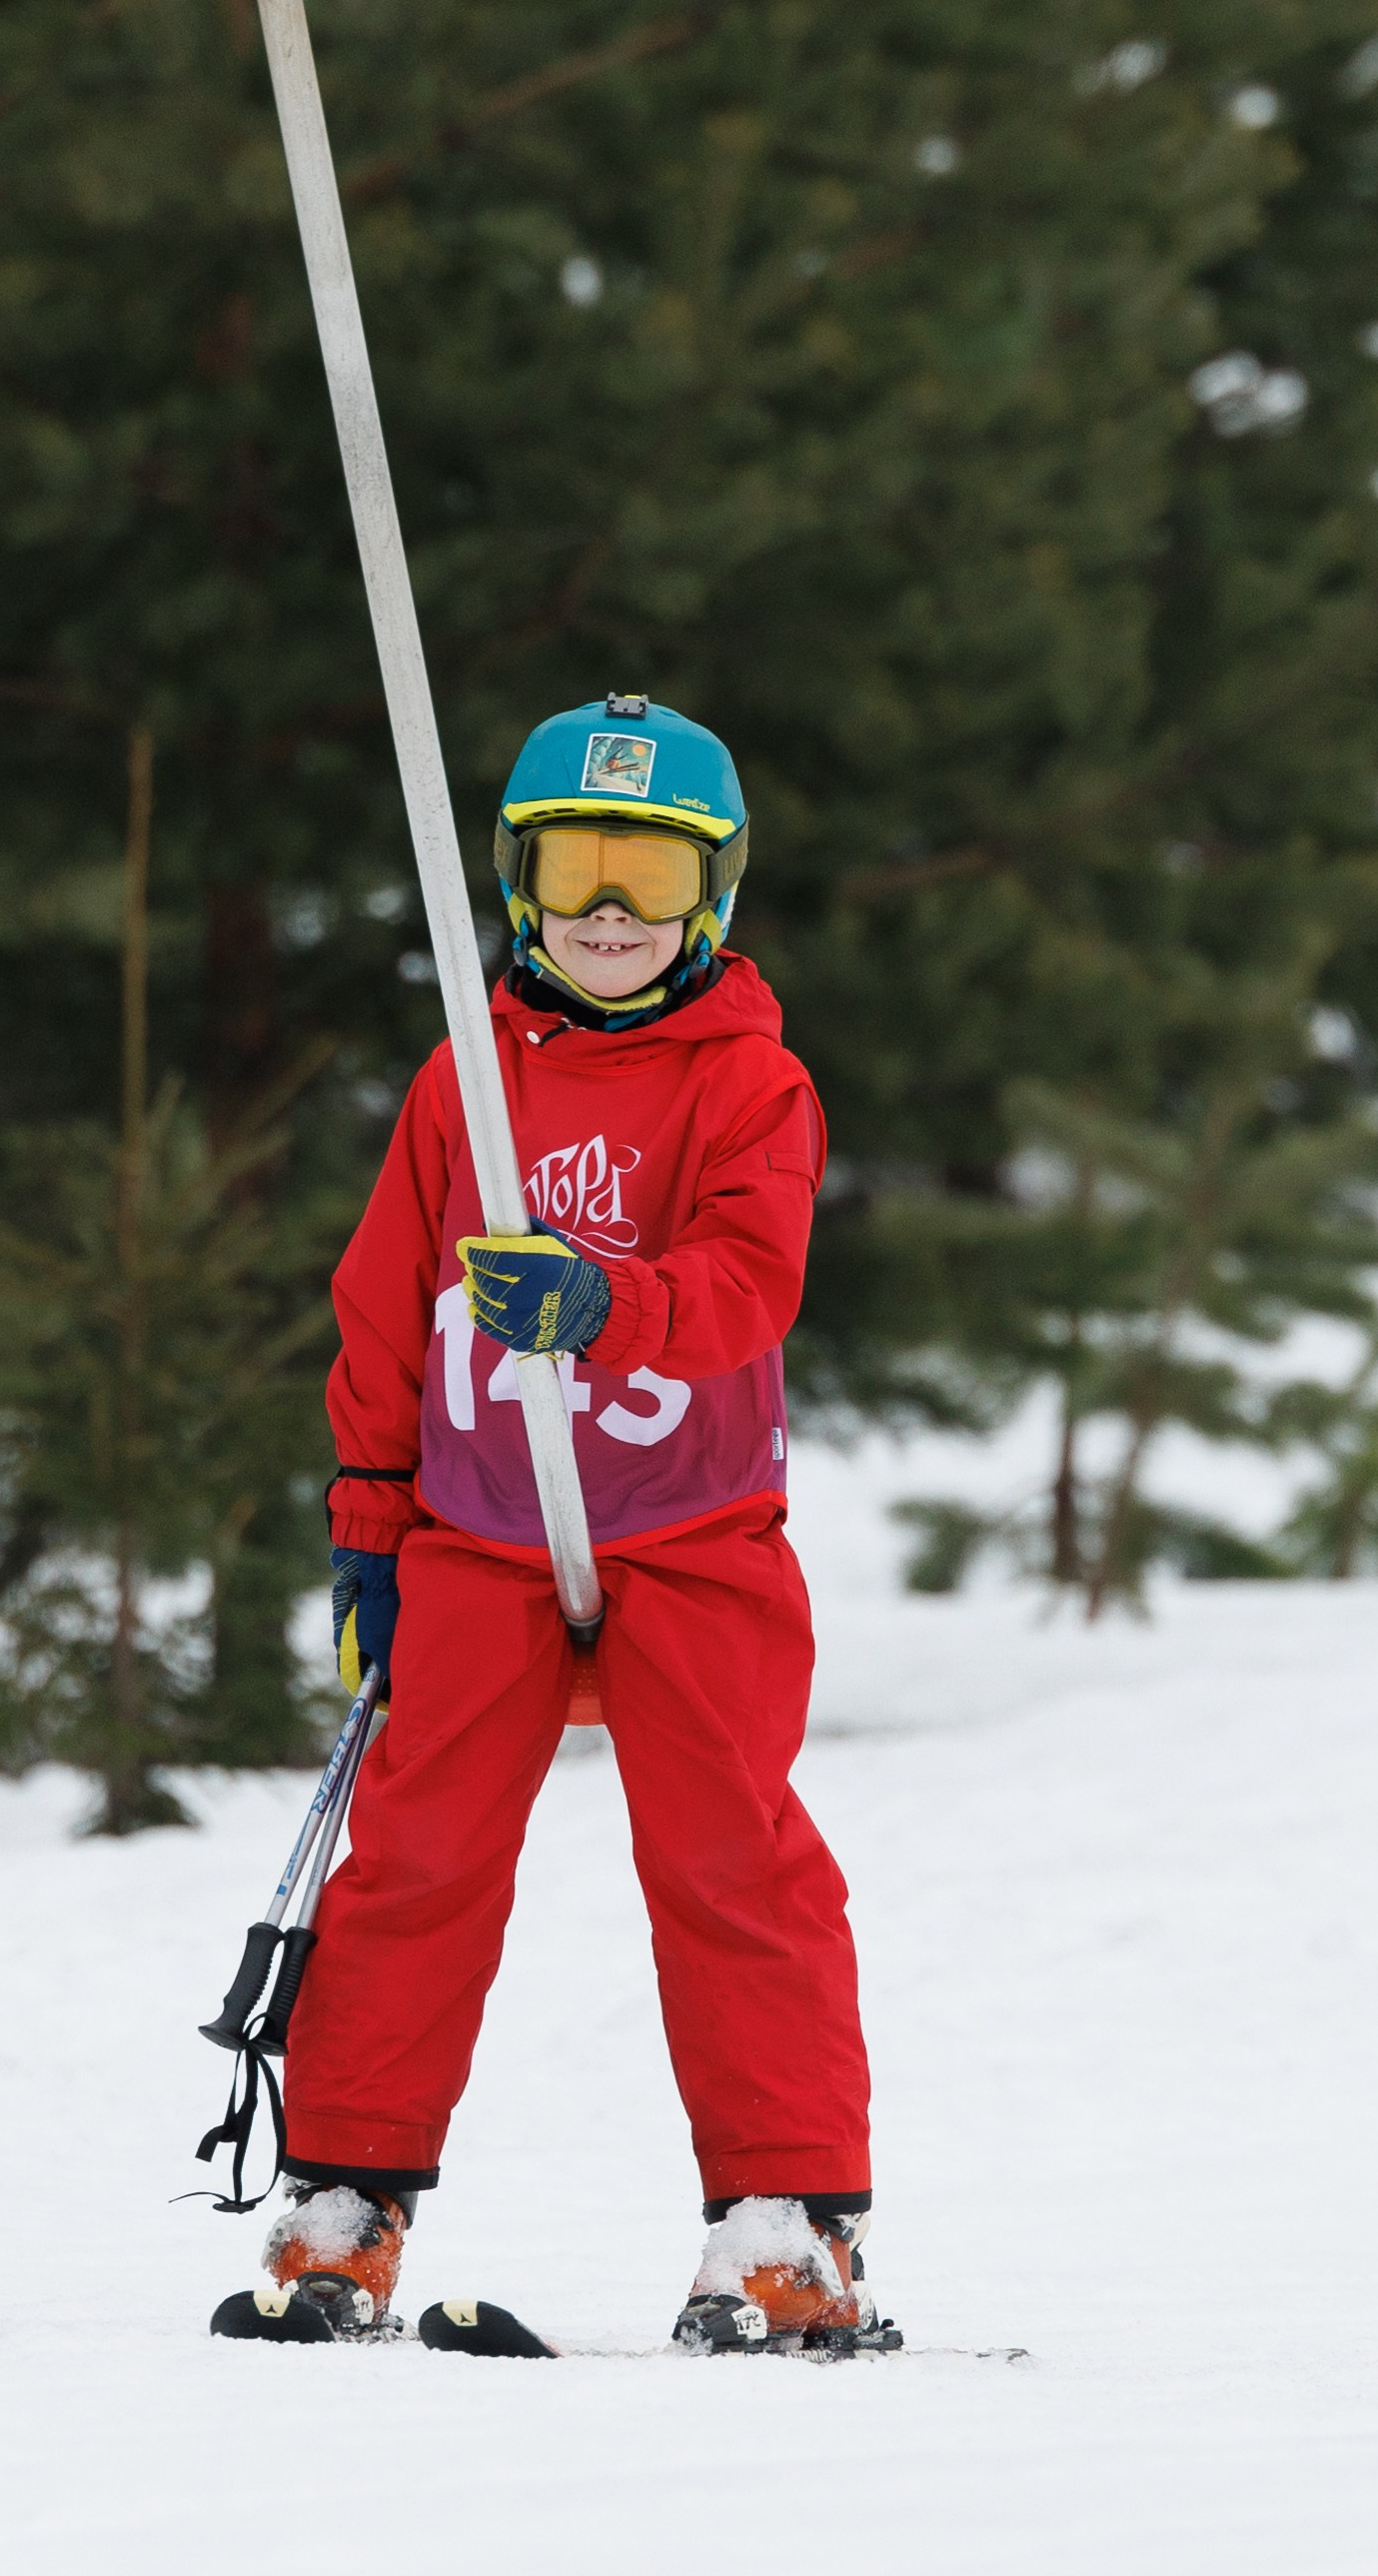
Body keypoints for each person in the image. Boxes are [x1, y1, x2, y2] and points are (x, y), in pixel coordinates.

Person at [220, 693, 893, 2356]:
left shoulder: (752, 1082)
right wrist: (371, 1527)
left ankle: (785, 2224)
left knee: (732, 1850)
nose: (610, 908)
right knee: (421, 1850)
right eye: (578, 865)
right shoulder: (467, 1075)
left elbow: (751, 1281)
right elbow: (382, 1309)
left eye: (650, 877)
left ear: (711, 896)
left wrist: (606, 1298)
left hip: (694, 1529)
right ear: (518, 879)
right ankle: (344, 2199)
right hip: (480, 1531)